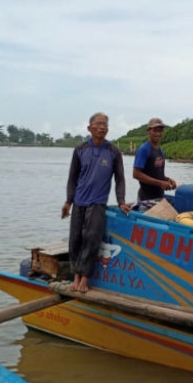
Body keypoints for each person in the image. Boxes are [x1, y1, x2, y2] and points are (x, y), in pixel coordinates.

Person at [61, 112, 131, 292]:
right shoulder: (80, 149)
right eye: (99, 124)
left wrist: (121, 200)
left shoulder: (113, 151)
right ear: (89, 128)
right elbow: (72, 178)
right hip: (79, 202)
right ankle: (75, 277)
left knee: (92, 240)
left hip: (98, 203)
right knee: (75, 240)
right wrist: (68, 201)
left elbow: (120, 179)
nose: (103, 127)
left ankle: (84, 279)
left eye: (105, 124)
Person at [132, 118, 177, 211]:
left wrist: (167, 180)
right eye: (155, 130)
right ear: (148, 131)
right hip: (146, 200)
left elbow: (156, 173)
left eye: (160, 131)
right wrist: (160, 183)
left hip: (159, 198)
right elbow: (136, 174)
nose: (158, 133)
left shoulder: (160, 151)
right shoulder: (144, 149)